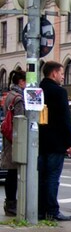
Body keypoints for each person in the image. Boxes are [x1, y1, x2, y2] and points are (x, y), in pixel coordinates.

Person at [38, 61, 71, 221]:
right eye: (61, 73)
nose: (63, 77)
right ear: (53, 73)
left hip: (39, 143)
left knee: (41, 177)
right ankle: (52, 211)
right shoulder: (59, 92)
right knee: (53, 177)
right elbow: (65, 119)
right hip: (56, 144)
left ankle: (40, 210)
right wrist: (70, 143)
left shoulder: (37, 91)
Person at [1, 69, 27, 216]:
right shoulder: (18, 98)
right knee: (13, 173)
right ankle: (11, 204)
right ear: (21, 82)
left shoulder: (9, 95)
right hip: (15, 139)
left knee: (11, 173)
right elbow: (20, 120)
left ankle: (9, 203)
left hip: (8, 137)